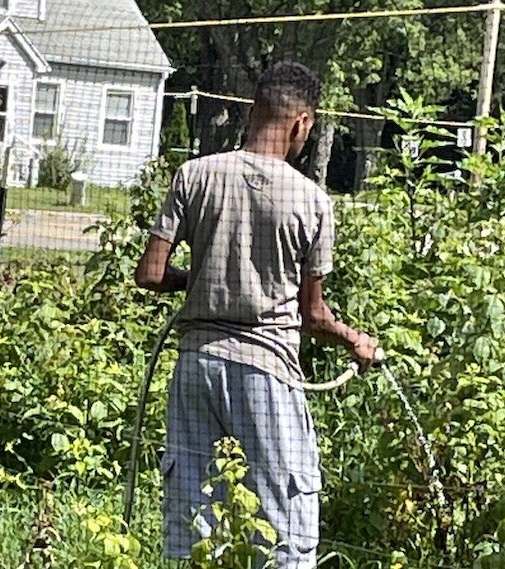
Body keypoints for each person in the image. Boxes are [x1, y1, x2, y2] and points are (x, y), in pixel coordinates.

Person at [135, 61, 378, 568]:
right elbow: (312, 316)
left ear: (253, 112)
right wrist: (355, 339)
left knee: (192, 512)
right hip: (265, 370)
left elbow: (152, 274)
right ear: (301, 124)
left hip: (195, 365)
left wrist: (203, 280)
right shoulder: (310, 200)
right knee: (286, 511)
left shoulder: (194, 175)